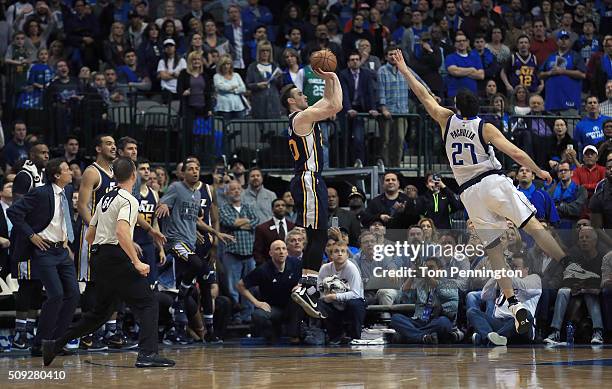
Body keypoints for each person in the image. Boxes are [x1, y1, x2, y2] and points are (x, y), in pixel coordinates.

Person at [390, 48, 572, 335]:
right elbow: (513, 151)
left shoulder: (445, 120)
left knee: (495, 252)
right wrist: (538, 171)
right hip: (491, 182)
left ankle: (513, 304)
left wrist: (403, 68)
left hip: (469, 193)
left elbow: (423, 94)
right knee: (533, 226)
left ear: (457, 108)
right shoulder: (483, 127)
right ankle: (568, 264)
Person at [41, 157, 175, 368]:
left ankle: (55, 345)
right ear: (133, 175)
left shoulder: (104, 197)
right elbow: (122, 232)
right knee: (148, 302)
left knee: (99, 314)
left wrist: (100, 254)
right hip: (116, 257)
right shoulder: (129, 199)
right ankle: (147, 354)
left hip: (100, 258)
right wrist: (136, 261)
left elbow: (90, 234)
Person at [279, 65, 342, 319]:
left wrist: (327, 79)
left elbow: (328, 100)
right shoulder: (300, 118)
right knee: (316, 235)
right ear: (291, 101)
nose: (305, 96)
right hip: (308, 178)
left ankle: (306, 285)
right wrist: (334, 77)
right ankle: (306, 286)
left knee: (319, 233)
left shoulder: (305, 117)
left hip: (310, 180)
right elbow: (335, 105)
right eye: (300, 94)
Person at [7, 159, 78, 356]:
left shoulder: (69, 190)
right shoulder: (40, 193)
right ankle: (41, 343)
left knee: (73, 295)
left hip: (62, 251)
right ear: (56, 175)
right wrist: (31, 235)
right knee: (55, 295)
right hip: (44, 250)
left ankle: (57, 341)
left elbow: (63, 219)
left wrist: (68, 242)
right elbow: (14, 212)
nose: (71, 172)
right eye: (66, 170)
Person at [237, 240, 303, 344]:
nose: (281, 251)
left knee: (299, 298)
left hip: (292, 306)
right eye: (277, 249)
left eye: (283, 249)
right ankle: (272, 332)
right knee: (258, 315)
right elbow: (240, 285)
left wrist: (300, 285)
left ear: (287, 252)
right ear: (270, 253)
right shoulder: (263, 270)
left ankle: (294, 336)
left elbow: (309, 279)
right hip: (273, 308)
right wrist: (256, 302)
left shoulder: (297, 264)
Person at [253, 199, 295, 265]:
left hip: (290, 265)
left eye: (283, 205)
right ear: (272, 209)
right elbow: (257, 251)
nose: (280, 207)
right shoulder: (262, 228)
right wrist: (264, 266)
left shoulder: (293, 227)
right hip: (269, 266)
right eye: (277, 206)